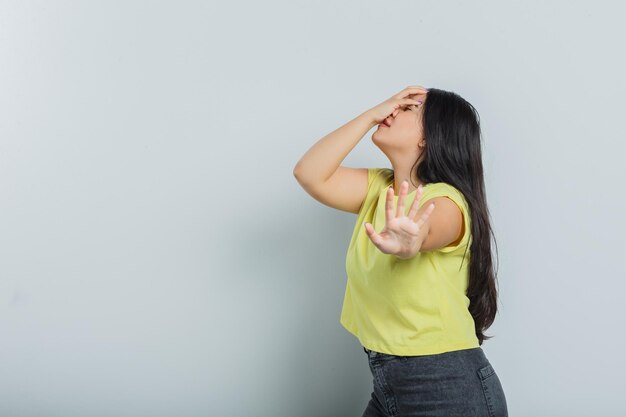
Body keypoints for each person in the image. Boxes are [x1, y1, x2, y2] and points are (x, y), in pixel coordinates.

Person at [293, 85, 508, 417]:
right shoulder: (378, 190)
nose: (394, 110)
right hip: (388, 384)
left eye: (409, 109)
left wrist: (412, 242)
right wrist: (370, 116)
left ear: (429, 137)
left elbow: (433, 226)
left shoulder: (449, 201)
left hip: (448, 388)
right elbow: (308, 173)